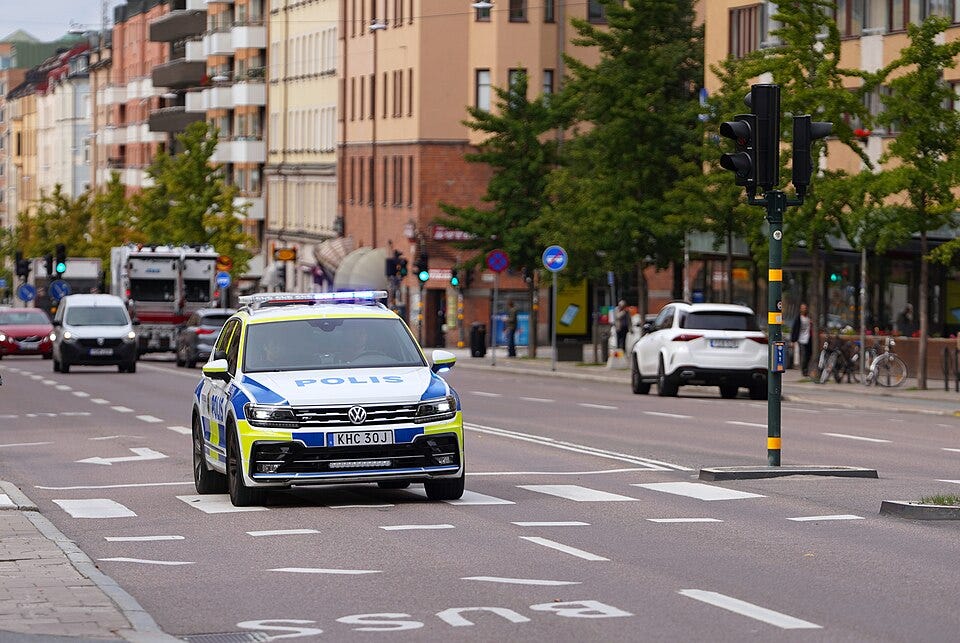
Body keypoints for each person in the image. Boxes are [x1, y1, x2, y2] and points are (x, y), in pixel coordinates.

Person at [789, 302, 812, 377]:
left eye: (805, 308)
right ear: (800, 309)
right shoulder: (798, 318)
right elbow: (794, 329)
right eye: (802, 308)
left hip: (808, 338)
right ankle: (804, 370)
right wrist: (793, 340)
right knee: (804, 354)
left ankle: (806, 368)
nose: (804, 309)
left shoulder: (809, 317)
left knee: (809, 354)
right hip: (801, 339)